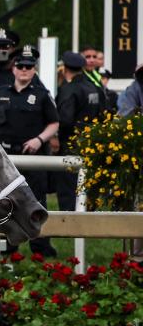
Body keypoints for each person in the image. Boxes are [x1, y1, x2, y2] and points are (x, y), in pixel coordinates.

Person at [0, 46, 59, 257]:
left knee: (37, 202)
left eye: (29, 66)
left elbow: (54, 123)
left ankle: (40, 248)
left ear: (34, 70)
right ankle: (8, 248)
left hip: (34, 158)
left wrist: (39, 139)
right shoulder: (0, 93)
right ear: (14, 69)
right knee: (5, 202)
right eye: (21, 66)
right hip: (5, 160)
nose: (24, 69)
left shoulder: (42, 95)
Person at [53, 50, 102, 211]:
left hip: (70, 145)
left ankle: (69, 224)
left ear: (65, 68)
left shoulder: (69, 89)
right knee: (88, 186)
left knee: (69, 189)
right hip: (91, 144)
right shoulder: (94, 87)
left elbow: (65, 120)